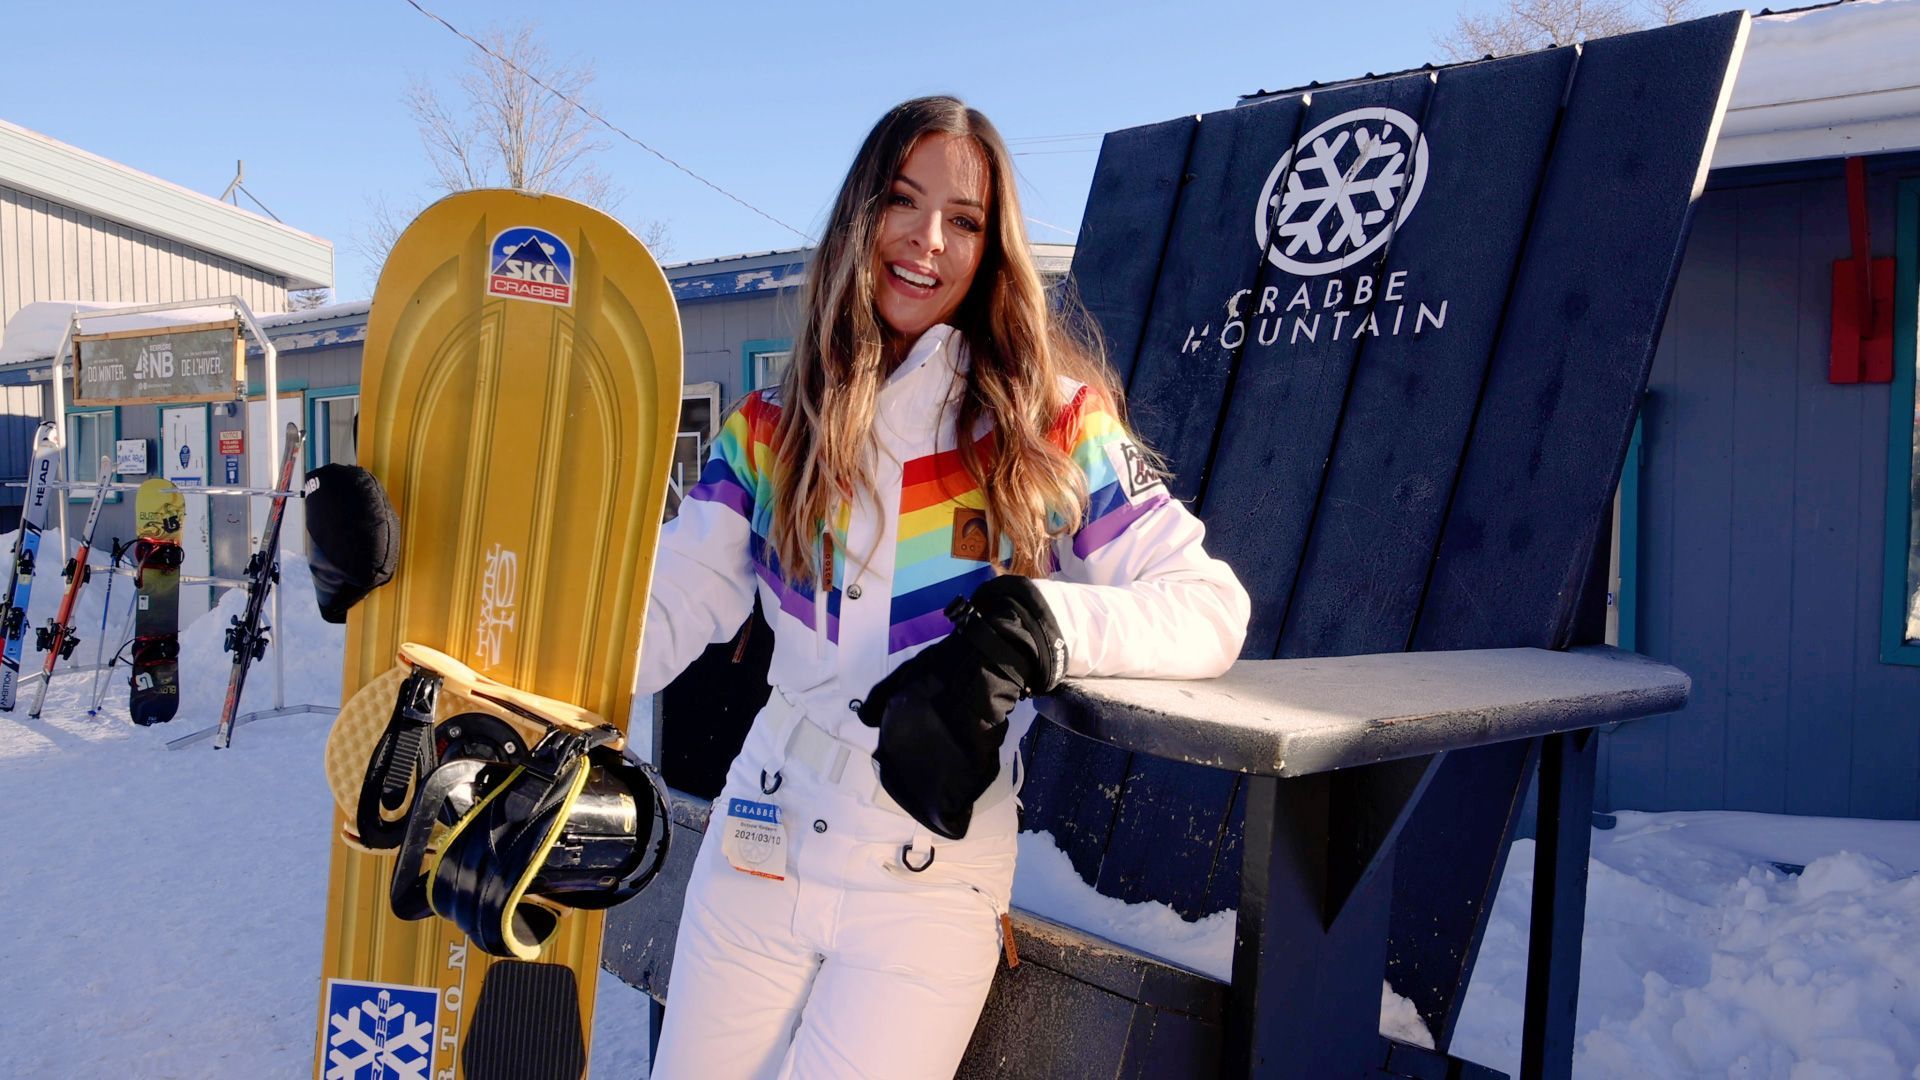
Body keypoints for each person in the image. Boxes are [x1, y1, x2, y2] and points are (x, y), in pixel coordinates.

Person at [638, 95, 1250, 1080]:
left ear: (991, 246)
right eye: (902, 201)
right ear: (859, 218)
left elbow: (1208, 607)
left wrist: (1026, 633)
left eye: (962, 219)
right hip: (760, 835)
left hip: (927, 874)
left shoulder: (1052, 423)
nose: (927, 239)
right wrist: (454, 588)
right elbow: (663, 615)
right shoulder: (772, 423)